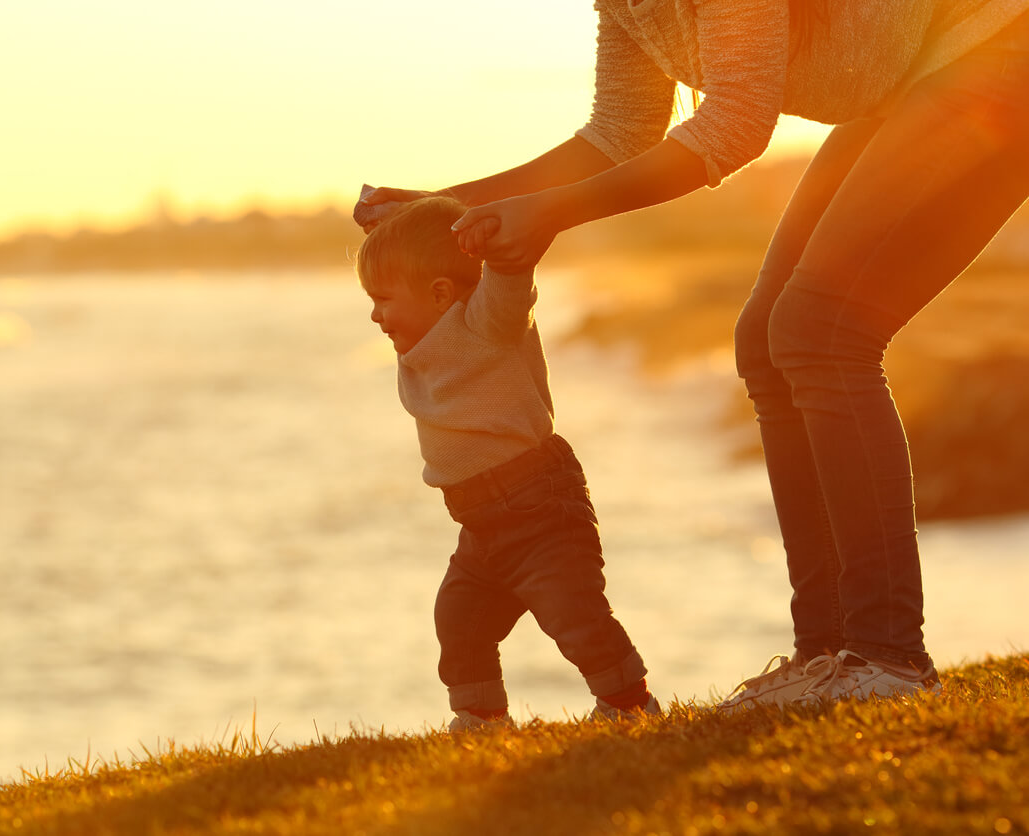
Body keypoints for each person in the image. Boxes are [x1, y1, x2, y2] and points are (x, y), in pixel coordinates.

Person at [357, 1, 1029, 709]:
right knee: (767, 345)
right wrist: (441, 204)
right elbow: (618, 133)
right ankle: (828, 652)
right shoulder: (625, 6)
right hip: (921, 83)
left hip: (994, 58)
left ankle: (889, 657)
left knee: (821, 332)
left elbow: (736, 125)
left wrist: (553, 212)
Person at [355, 195, 658, 730]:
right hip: (480, 525)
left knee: (573, 612)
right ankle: (482, 718)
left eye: (383, 299)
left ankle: (629, 704)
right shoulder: (417, 346)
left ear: (441, 294)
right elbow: (420, 254)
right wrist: (399, 229)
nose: (375, 314)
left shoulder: (486, 325)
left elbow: (509, 278)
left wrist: (496, 241)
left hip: (537, 505)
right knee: (460, 618)